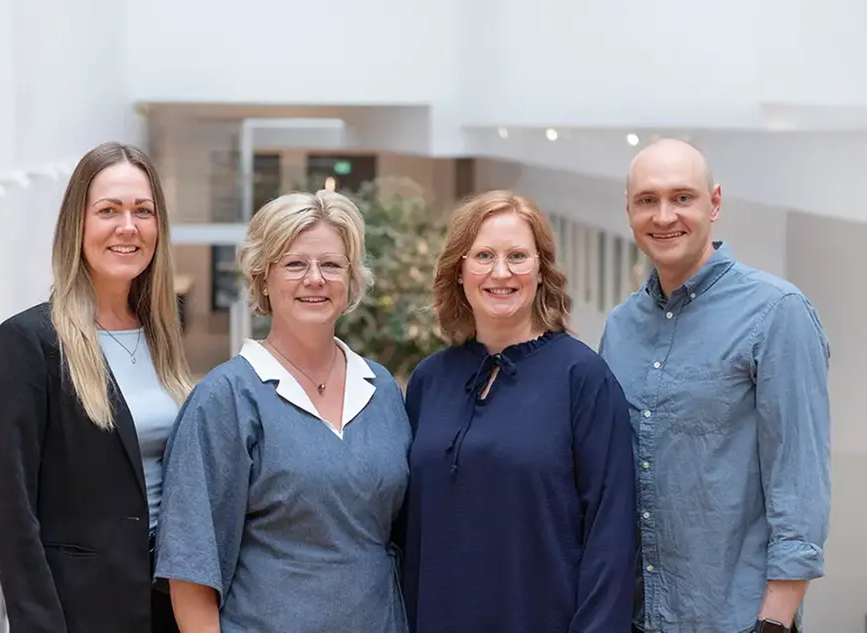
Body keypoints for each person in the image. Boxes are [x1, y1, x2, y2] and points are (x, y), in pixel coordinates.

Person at [599, 138, 831, 633]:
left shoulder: (776, 312)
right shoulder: (620, 327)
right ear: (629, 209)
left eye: (682, 197)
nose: (664, 216)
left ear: (715, 203)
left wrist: (775, 621)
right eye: (648, 200)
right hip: (638, 618)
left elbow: (800, 481)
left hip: (737, 621)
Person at [154, 190, 412, 632]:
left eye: (331, 264)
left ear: (351, 279)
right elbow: (191, 573)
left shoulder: (382, 389)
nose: (315, 278)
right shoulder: (226, 398)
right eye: (295, 264)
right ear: (263, 278)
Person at [400, 190, 637, 633]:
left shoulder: (583, 378)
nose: (501, 272)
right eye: (484, 256)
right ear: (459, 271)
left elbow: (612, 537)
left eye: (517, 256)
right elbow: (407, 534)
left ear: (542, 271)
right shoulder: (429, 380)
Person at [0, 141, 192, 633]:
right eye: (108, 210)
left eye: (144, 211)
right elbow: (13, 516)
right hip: (82, 612)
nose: (128, 226)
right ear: (78, 223)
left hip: (170, 604)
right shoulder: (27, 343)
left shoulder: (164, 331)